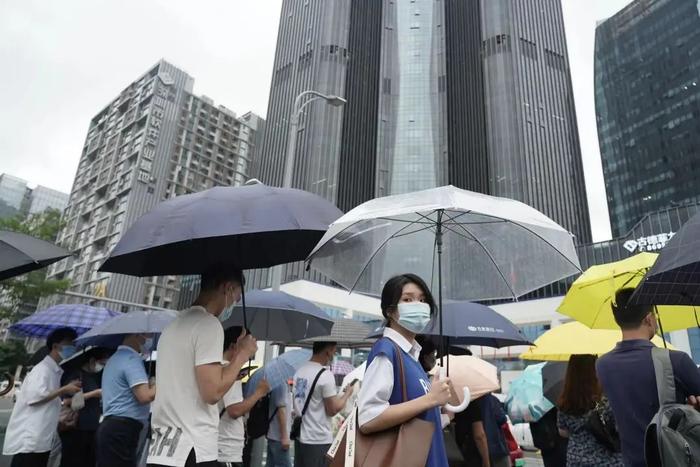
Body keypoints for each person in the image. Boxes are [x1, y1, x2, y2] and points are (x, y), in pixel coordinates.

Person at [147, 267, 258, 467]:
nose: (234, 303)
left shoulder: (171, 328)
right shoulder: (208, 324)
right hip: (192, 449)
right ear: (227, 288)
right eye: (236, 297)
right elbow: (212, 392)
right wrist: (242, 354)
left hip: (161, 449)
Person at [597, 288, 700, 467]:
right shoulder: (676, 360)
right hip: (674, 459)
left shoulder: (602, 364)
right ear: (649, 319)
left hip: (630, 461)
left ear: (617, 320)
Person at [357, 274, 452, 467]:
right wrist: (431, 399)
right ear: (390, 311)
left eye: (422, 299)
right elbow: (368, 418)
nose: (418, 304)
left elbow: (416, 421)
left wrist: (442, 411)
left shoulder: (411, 357)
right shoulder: (387, 351)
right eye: (407, 299)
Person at [2, 327, 82, 467]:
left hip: (42, 439)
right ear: (56, 346)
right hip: (31, 440)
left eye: (73, 344)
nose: (72, 347)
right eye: (69, 343)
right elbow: (34, 398)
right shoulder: (42, 370)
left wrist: (65, 388)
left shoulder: (54, 370)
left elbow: (48, 397)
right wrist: (64, 389)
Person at [96, 333, 156, 467]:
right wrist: (161, 383)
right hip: (122, 429)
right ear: (136, 334)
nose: (149, 340)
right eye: (148, 335)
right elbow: (144, 396)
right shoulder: (131, 359)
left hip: (113, 427)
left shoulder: (116, 358)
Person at [292, 341, 354, 467]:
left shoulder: (300, 372)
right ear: (328, 351)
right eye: (334, 351)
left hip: (300, 437)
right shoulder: (325, 375)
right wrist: (347, 394)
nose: (334, 354)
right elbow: (332, 410)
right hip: (318, 439)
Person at [217, 326, 270, 467]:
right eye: (247, 344)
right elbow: (234, 410)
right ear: (233, 346)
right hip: (226, 450)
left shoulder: (218, 368)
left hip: (220, 446)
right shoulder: (229, 372)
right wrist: (259, 392)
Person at [557, 354, 623, 466]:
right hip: (606, 459)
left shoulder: (566, 401)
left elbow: (563, 432)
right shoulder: (606, 399)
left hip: (576, 459)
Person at [59, 347, 110, 467]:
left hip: (91, 428)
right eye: (101, 363)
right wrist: (94, 394)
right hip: (75, 428)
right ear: (92, 360)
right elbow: (67, 401)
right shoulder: (76, 376)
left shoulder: (94, 376)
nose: (101, 366)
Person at [454, 396, 489, 467]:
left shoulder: (445, 403)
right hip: (469, 454)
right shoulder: (471, 402)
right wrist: (486, 462)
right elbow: (479, 436)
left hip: (450, 452)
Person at [480, 394, 510, 467]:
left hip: (480, 448)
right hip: (496, 444)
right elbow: (502, 419)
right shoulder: (492, 399)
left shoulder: (473, 401)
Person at [266, 382, 292, 467]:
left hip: (274, 436)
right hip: (278, 437)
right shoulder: (281, 384)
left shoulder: (281, 383)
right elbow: (281, 410)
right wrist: (284, 437)